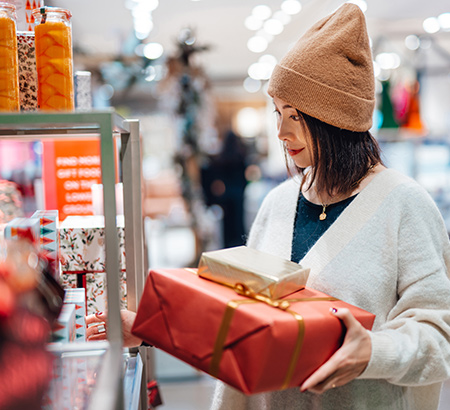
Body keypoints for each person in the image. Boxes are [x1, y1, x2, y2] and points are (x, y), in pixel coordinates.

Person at [87, 4, 450, 409]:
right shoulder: (280, 203)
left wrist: (373, 352)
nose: (280, 131)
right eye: (278, 113)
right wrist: (154, 326)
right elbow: (244, 324)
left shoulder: (404, 205)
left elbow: (439, 334)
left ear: (333, 119)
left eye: (294, 116)